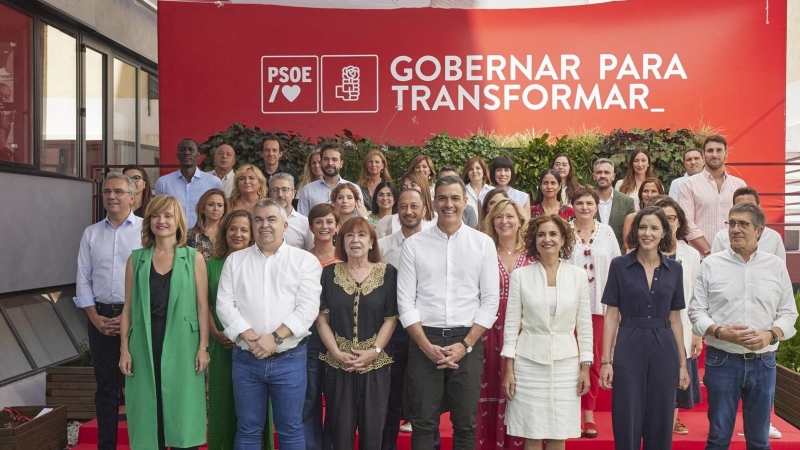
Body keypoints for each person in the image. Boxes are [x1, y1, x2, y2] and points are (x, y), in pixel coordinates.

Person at [397, 176, 499, 450]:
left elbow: (490, 302)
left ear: (465, 202)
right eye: (442, 198)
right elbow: (405, 302)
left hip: (466, 341)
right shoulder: (414, 245)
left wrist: (465, 345)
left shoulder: (483, 244)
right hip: (424, 339)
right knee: (422, 423)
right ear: (434, 203)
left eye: (455, 198)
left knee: (465, 424)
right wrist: (425, 346)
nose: (449, 204)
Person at [689, 203, 798, 450]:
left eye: (743, 224)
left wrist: (769, 335)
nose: (735, 229)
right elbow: (696, 311)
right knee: (718, 438)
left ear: (759, 230)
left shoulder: (775, 266)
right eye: (731, 223)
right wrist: (719, 332)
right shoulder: (711, 265)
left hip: (764, 362)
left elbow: (789, 314)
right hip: (722, 361)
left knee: (759, 441)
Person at [216, 199, 322, 450]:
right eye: (259, 219)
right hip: (246, 358)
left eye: (271, 219)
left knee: (290, 429)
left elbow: (308, 308)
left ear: (285, 225)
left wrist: (274, 338)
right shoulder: (235, 261)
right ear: (253, 224)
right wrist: (251, 336)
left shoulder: (304, 261)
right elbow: (224, 305)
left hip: (290, 359)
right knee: (248, 429)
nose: (265, 225)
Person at [119, 194, 210, 450]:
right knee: (148, 408)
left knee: (181, 410)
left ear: (178, 221)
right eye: (156, 216)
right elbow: (128, 307)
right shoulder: (136, 260)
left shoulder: (194, 258)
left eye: (168, 216)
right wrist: (124, 349)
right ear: (149, 221)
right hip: (144, 342)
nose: (162, 221)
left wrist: (203, 347)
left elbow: (203, 306)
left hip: (184, 342)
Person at [599, 206, 690, 450]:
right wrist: (606, 361)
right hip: (629, 341)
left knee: (661, 416)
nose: (647, 233)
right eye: (642, 227)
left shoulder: (675, 269)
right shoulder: (619, 265)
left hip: (664, 345)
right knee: (626, 414)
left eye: (653, 228)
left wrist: (683, 364)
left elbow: (675, 319)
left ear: (664, 233)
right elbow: (611, 315)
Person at [502, 214, 592, 449]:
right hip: (528, 363)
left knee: (558, 432)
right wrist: (509, 370)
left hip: (566, 365)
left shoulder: (578, 276)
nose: (547, 239)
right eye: (541, 234)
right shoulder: (520, 276)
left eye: (553, 234)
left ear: (563, 239)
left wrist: (585, 368)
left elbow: (584, 326)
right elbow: (511, 325)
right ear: (534, 240)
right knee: (531, 431)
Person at [74, 173, 142, 450]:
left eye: (118, 191)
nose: (111, 196)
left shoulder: (145, 231)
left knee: (138, 386)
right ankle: (106, 446)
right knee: (105, 388)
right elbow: (82, 278)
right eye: (107, 192)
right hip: (100, 317)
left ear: (132, 197)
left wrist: (129, 314)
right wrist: (94, 317)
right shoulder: (91, 233)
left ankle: (143, 443)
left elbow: (148, 277)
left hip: (137, 316)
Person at [317, 217, 398, 450]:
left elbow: (391, 318)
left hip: (376, 365)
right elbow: (322, 318)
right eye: (349, 236)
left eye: (362, 235)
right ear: (341, 242)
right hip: (337, 364)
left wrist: (374, 351)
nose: (355, 240)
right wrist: (336, 352)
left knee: (373, 432)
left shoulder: (388, 273)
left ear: (372, 242)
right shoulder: (329, 273)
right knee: (339, 431)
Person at [206, 210, 275, 450]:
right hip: (222, 345)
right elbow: (203, 305)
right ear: (224, 232)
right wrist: (215, 333)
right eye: (232, 229)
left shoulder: (262, 264)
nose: (238, 234)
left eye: (244, 229)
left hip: (255, 347)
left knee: (255, 412)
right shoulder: (211, 266)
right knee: (223, 405)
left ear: (253, 234)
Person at [476, 199, 531, 450]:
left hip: (524, 334)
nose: (504, 221)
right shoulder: (483, 253)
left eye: (510, 216)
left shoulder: (533, 256)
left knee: (520, 392)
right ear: (491, 222)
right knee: (487, 391)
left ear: (520, 221)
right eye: (498, 217)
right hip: (487, 334)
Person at [566, 187, 621, 439]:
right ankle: (572, 412)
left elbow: (618, 266)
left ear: (597, 207)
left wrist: (619, 304)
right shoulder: (563, 230)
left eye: (589, 203)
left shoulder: (607, 232)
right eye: (580, 203)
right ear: (572, 205)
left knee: (595, 359)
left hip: (600, 306)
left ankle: (588, 413)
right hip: (569, 306)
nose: (585, 207)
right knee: (570, 359)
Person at [378, 188, 430, 448]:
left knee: (425, 399)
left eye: (414, 206)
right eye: (403, 207)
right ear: (397, 211)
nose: (408, 211)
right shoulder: (382, 248)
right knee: (390, 396)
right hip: (392, 330)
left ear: (423, 210)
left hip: (427, 328)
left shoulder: (435, 245)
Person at [650, 197, 702, 435]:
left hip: (681, 323)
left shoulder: (690, 254)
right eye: (663, 218)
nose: (667, 223)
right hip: (650, 325)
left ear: (678, 221)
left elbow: (696, 295)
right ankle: (653, 421)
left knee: (676, 375)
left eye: (671, 218)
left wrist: (697, 333)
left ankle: (671, 421)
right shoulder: (646, 250)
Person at [303, 203, 341, 450]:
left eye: (329, 221)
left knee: (338, 399)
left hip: (341, 335)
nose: (324, 227)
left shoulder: (346, 258)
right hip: (309, 337)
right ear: (311, 226)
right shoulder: (300, 259)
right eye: (318, 222)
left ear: (337, 226)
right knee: (310, 396)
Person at [679, 135, 747, 257]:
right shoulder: (688, 184)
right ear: (704, 155)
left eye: (719, 150)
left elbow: (746, 219)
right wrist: (709, 252)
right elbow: (686, 222)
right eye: (710, 150)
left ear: (726, 154)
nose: (714, 154)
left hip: (734, 256)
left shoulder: (739, 185)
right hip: (699, 257)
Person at [154, 138, 223, 228]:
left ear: (198, 155)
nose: (186, 153)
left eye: (191, 149)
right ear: (177, 155)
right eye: (183, 150)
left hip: (204, 236)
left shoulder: (213, 182)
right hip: (173, 236)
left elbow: (220, 212)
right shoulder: (163, 182)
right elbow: (157, 212)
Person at [710, 187, 786, 260]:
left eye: (750, 206)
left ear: (759, 207)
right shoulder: (721, 237)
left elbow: (779, 268)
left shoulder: (773, 237)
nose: (745, 211)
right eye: (740, 206)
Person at [298, 143, 356, 215]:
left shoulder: (354, 189)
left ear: (341, 163)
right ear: (321, 161)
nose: (330, 163)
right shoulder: (308, 190)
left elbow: (358, 220)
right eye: (326, 159)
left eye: (334, 159)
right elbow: (302, 220)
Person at [375, 172, 436, 239]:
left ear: (423, 188)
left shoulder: (437, 220)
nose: (408, 189)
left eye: (413, 185)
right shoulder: (388, 223)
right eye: (404, 187)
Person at [593, 158, 635, 250]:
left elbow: (632, 234)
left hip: (619, 257)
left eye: (607, 172)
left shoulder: (627, 202)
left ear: (613, 176)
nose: (602, 175)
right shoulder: (586, 202)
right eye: (599, 172)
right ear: (594, 176)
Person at [269, 173, 313, 250]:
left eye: (285, 190)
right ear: (269, 194)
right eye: (275, 190)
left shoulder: (305, 224)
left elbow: (311, 253)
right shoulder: (262, 222)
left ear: (293, 194)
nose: (280, 194)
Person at [621, 178, 665, 252]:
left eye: (653, 191)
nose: (649, 195)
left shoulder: (665, 218)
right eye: (646, 191)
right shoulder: (631, 218)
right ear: (641, 194)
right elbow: (627, 246)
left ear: (660, 194)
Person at [187, 188, 228, 260]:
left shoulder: (228, 233)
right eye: (211, 204)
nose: (216, 209)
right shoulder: (189, 234)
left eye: (220, 205)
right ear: (202, 208)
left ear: (224, 210)